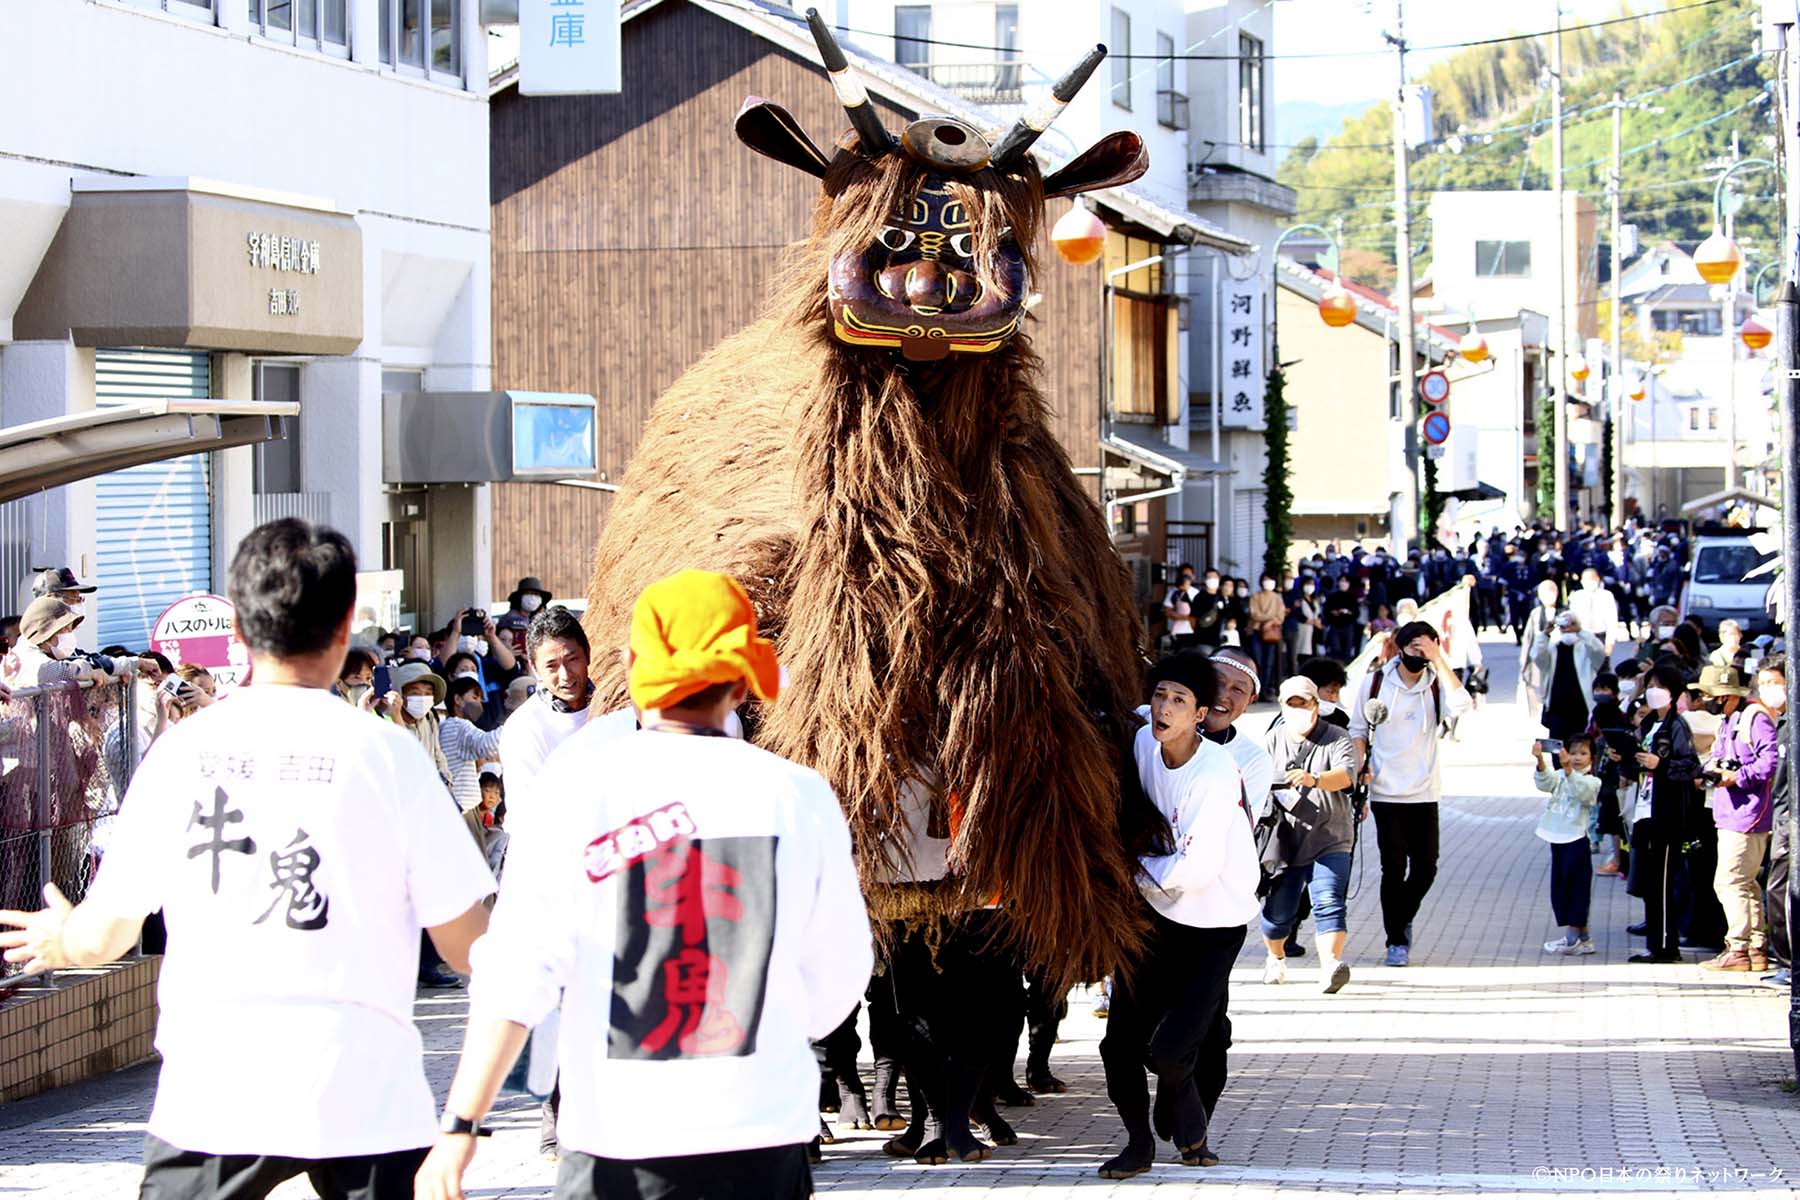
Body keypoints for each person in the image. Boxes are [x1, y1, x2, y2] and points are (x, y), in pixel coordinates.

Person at [0, 518, 494, 1200]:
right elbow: (471, 947)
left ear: (236, 628)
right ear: (346, 622)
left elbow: (108, 932)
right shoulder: (387, 755)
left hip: (213, 1091)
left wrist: (61, 938)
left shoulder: (183, 753)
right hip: (367, 1090)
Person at [415, 569, 872, 1200]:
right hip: (759, 1135)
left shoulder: (575, 789)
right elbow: (841, 972)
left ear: (631, 666)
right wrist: (769, 1032)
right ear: (743, 682)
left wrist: (462, 1123)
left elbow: (517, 974)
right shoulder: (798, 796)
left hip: (615, 1140)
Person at [1098, 653, 1259, 1180]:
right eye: (1160, 696)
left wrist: (1129, 869)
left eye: (1179, 701)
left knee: (1171, 1049)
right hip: (1152, 917)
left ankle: (1189, 1122)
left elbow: (1196, 868)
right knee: (1119, 1042)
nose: (1164, 708)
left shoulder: (1217, 774)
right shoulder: (1146, 741)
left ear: (1202, 714)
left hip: (1213, 925)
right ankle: (1138, 1143)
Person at [1347, 620, 1472, 967]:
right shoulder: (1375, 682)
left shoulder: (1436, 685)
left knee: (1426, 868)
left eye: (1427, 647)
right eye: (1414, 647)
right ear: (1401, 647)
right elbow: (1358, 728)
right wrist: (1360, 768)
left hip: (1424, 790)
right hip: (1386, 791)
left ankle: (1401, 918)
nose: (1420, 654)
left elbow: (1462, 705)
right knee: (1393, 867)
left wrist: (1440, 661)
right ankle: (1396, 940)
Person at [1259, 677, 1358, 994]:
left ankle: (1330, 965)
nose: (1300, 710)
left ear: (1317, 705)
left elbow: (1346, 776)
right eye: (1293, 705)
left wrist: (1313, 779)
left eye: (1306, 703)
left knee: (1329, 900)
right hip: (1286, 841)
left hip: (1332, 836)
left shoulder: (1337, 738)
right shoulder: (1273, 740)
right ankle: (1275, 958)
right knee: (1278, 915)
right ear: (1282, 707)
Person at [1700, 661, 1780, 972]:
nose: (1707, 700)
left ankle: (1738, 947)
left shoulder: (1754, 718)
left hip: (1748, 813)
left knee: (1728, 881)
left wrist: (1737, 777)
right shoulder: (1727, 720)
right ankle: (1757, 945)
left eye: (1710, 694)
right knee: (1745, 883)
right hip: (1729, 812)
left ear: (1725, 695)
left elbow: (1768, 763)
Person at [1620, 664, 1703, 964]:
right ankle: (1656, 943)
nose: (1653, 692)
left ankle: (1667, 946)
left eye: (1660, 687)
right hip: (1644, 810)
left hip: (1667, 813)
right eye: (1650, 686)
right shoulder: (1648, 725)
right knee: (1649, 883)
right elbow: (1636, 768)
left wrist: (1661, 765)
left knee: (1663, 881)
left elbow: (1691, 766)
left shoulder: (1677, 726)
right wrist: (1625, 759)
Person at [497, 606, 597, 841]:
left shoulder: (614, 708)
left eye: (572, 660)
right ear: (534, 667)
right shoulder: (524, 728)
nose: (565, 675)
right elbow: (527, 816)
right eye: (551, 666)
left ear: (588, 654)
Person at [1533, 736, 1600, 955]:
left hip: (1577, 839)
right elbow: (1545, 783)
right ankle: (1583, 937)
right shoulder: (1561, 775)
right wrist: (1541, 761)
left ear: (1592, 757)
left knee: (1576, 889)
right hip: (1556, 837)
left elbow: (1585, 795)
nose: (1577, 758)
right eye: (1573, 753)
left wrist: (1569, 770)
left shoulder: (1592, 781)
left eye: (1583, 753)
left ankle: (1572, 940)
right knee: (1561, 888)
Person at [1762, 657, 1792, 987]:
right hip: (1782, 817)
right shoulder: (1782, 722)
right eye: (1764, 683)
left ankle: (1790, 965)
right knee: (1777, 891)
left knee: (1780, 891)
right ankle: (1786, 963)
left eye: (1774, 682)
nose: (1768, 690)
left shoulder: (1790, 725)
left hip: (1788, 821)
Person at [1530, 612, 1606, 743]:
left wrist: (1581, 631)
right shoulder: (1553, 648)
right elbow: (1537, 656)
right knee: (1558, 750)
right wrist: (1545, 634)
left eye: (1572, 624)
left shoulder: (1585, 648)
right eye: (1564, 625)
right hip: (1557, 708)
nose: (1568, 628)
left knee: (1582, 746)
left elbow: (1599, 652)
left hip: (1582, 708)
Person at [385, 660, 454, 791]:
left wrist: (446, 781)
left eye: (428, 693)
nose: (422, 698)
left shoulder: (429, 718)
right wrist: (396, 716)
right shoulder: (388, 722)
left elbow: (438, 755)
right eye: (415, 693)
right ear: (401, 695)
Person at [440, 677, 503, 813]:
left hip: (456, 805)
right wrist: (515, 723)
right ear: (458, 700)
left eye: (480, 699)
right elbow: (486, 745)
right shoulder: (458, 726)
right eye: (475, 698)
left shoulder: (447, 725)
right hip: (461, 808)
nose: (479, 704)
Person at [1518, 579, 1564, 716]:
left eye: (1550, 594)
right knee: (1539, 688)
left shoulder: (1565, 612)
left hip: (1560, 657)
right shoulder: (1536, 613)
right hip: (1540, 656)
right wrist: (1524, 662)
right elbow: (1528, 639)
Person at [1567, 567, 1620, 659]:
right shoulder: (1577, 596)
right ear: (1582, 581)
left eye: (1592, 579)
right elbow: (1572, 618)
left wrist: (1610, 642)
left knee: (1602, 666)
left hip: (1600, 635)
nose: (1589, 582)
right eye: (1586, 580)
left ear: (1598, 580)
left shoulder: (1606, 595)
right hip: (1582, 636)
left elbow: (1612, 620)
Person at [494, 576, 554, 657]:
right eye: (528, 593)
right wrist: (507, 654)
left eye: (536, 594)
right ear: (519, 597)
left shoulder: (538, 619)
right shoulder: (509, 621)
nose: (532, 598)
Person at [1248, 575, 1286, 698]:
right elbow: (1254, 614)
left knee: (1268, 662)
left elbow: (1281, 616)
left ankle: (1264, 690)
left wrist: (1269, 622)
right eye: (1265, 580)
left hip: (1271, 632)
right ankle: (1256, 691)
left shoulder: (1277, 598)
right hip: (1256, 631)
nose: (1268, 582)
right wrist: (1270, 619)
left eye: (1270, 580)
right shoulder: (1255, 596)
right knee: (1257, 661)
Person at [28, 566, 98, 611]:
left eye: (79, 599)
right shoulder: (38, 632)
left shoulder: (67, 633)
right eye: (73, 598)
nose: (76, 604)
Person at [1163, 565, 1198, 650]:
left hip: (1193, 631)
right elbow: (1168, 612)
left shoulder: (1197, 593)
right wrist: (1186, 617)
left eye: (1188, 576)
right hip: (1178, 631)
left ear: (1193, 577)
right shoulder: (1174, 592)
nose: (1186, 578)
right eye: (1184, 576)